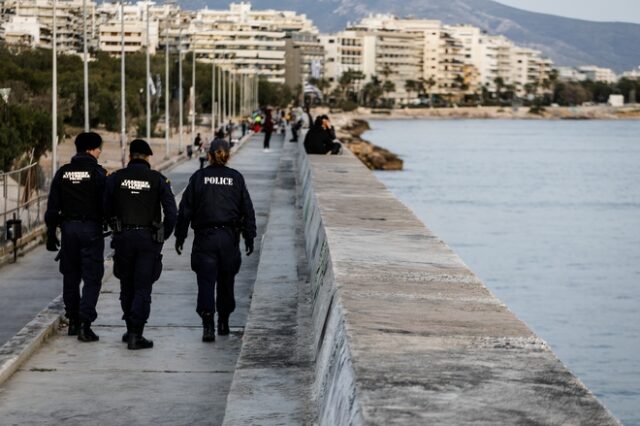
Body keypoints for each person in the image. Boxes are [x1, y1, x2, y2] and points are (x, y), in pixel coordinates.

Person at [174, 131, 256, 342]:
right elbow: (247, 209)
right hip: (229, 238)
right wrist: (249, 236)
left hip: (205, 238)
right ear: (228, 155)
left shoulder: (198, 178)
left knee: (206, 281)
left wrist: (180, 236)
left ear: (209, 155)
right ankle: (224, 322)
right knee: (226, 282)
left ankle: (208, 324)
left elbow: (185, 210)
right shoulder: (236, 178)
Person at [104, 139, 177, 350]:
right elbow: (172, 212)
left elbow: (105, 205)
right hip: (148, 240)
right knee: (143, 287)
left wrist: (113, 224)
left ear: (131, 156)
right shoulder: (158, 179)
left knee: (126, 285)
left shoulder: (116, 178)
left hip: (123, 237)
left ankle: (129, 329)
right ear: (147, 157)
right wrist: (164, 234)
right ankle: (137, 333)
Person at [45, 132, 107, 342]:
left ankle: (72, 321)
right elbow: (107, 205)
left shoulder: (62, 173)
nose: (100, 152)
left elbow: (52, 207)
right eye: (99, 148)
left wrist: (51, 232)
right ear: (91, 149)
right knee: (92, 279)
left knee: (70, 277)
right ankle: (85, 323)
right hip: (91, 229)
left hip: (68, 230)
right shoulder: (98, 174)